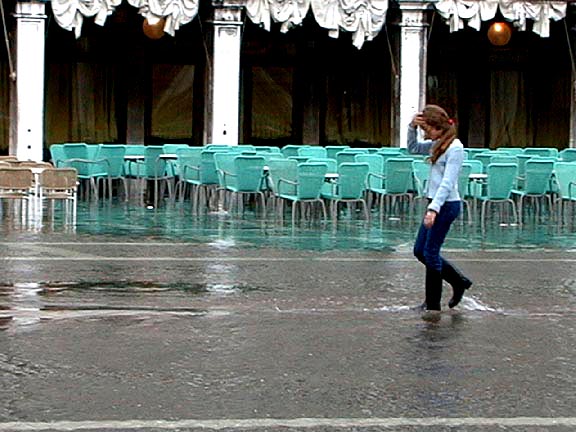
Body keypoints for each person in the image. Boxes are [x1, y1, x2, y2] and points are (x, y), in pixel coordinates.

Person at [408, 104, 472, 311]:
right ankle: (458, 281)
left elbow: (447, 182)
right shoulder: (437, 143)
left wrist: (433, 209)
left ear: (438, 127)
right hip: (434, 202)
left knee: (431, 252)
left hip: (446, 204)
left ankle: (433, 303)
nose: (427, 135)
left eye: (428, 130)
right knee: (420, 250)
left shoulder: (455, 148)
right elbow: (413, 148)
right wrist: (412, 127)